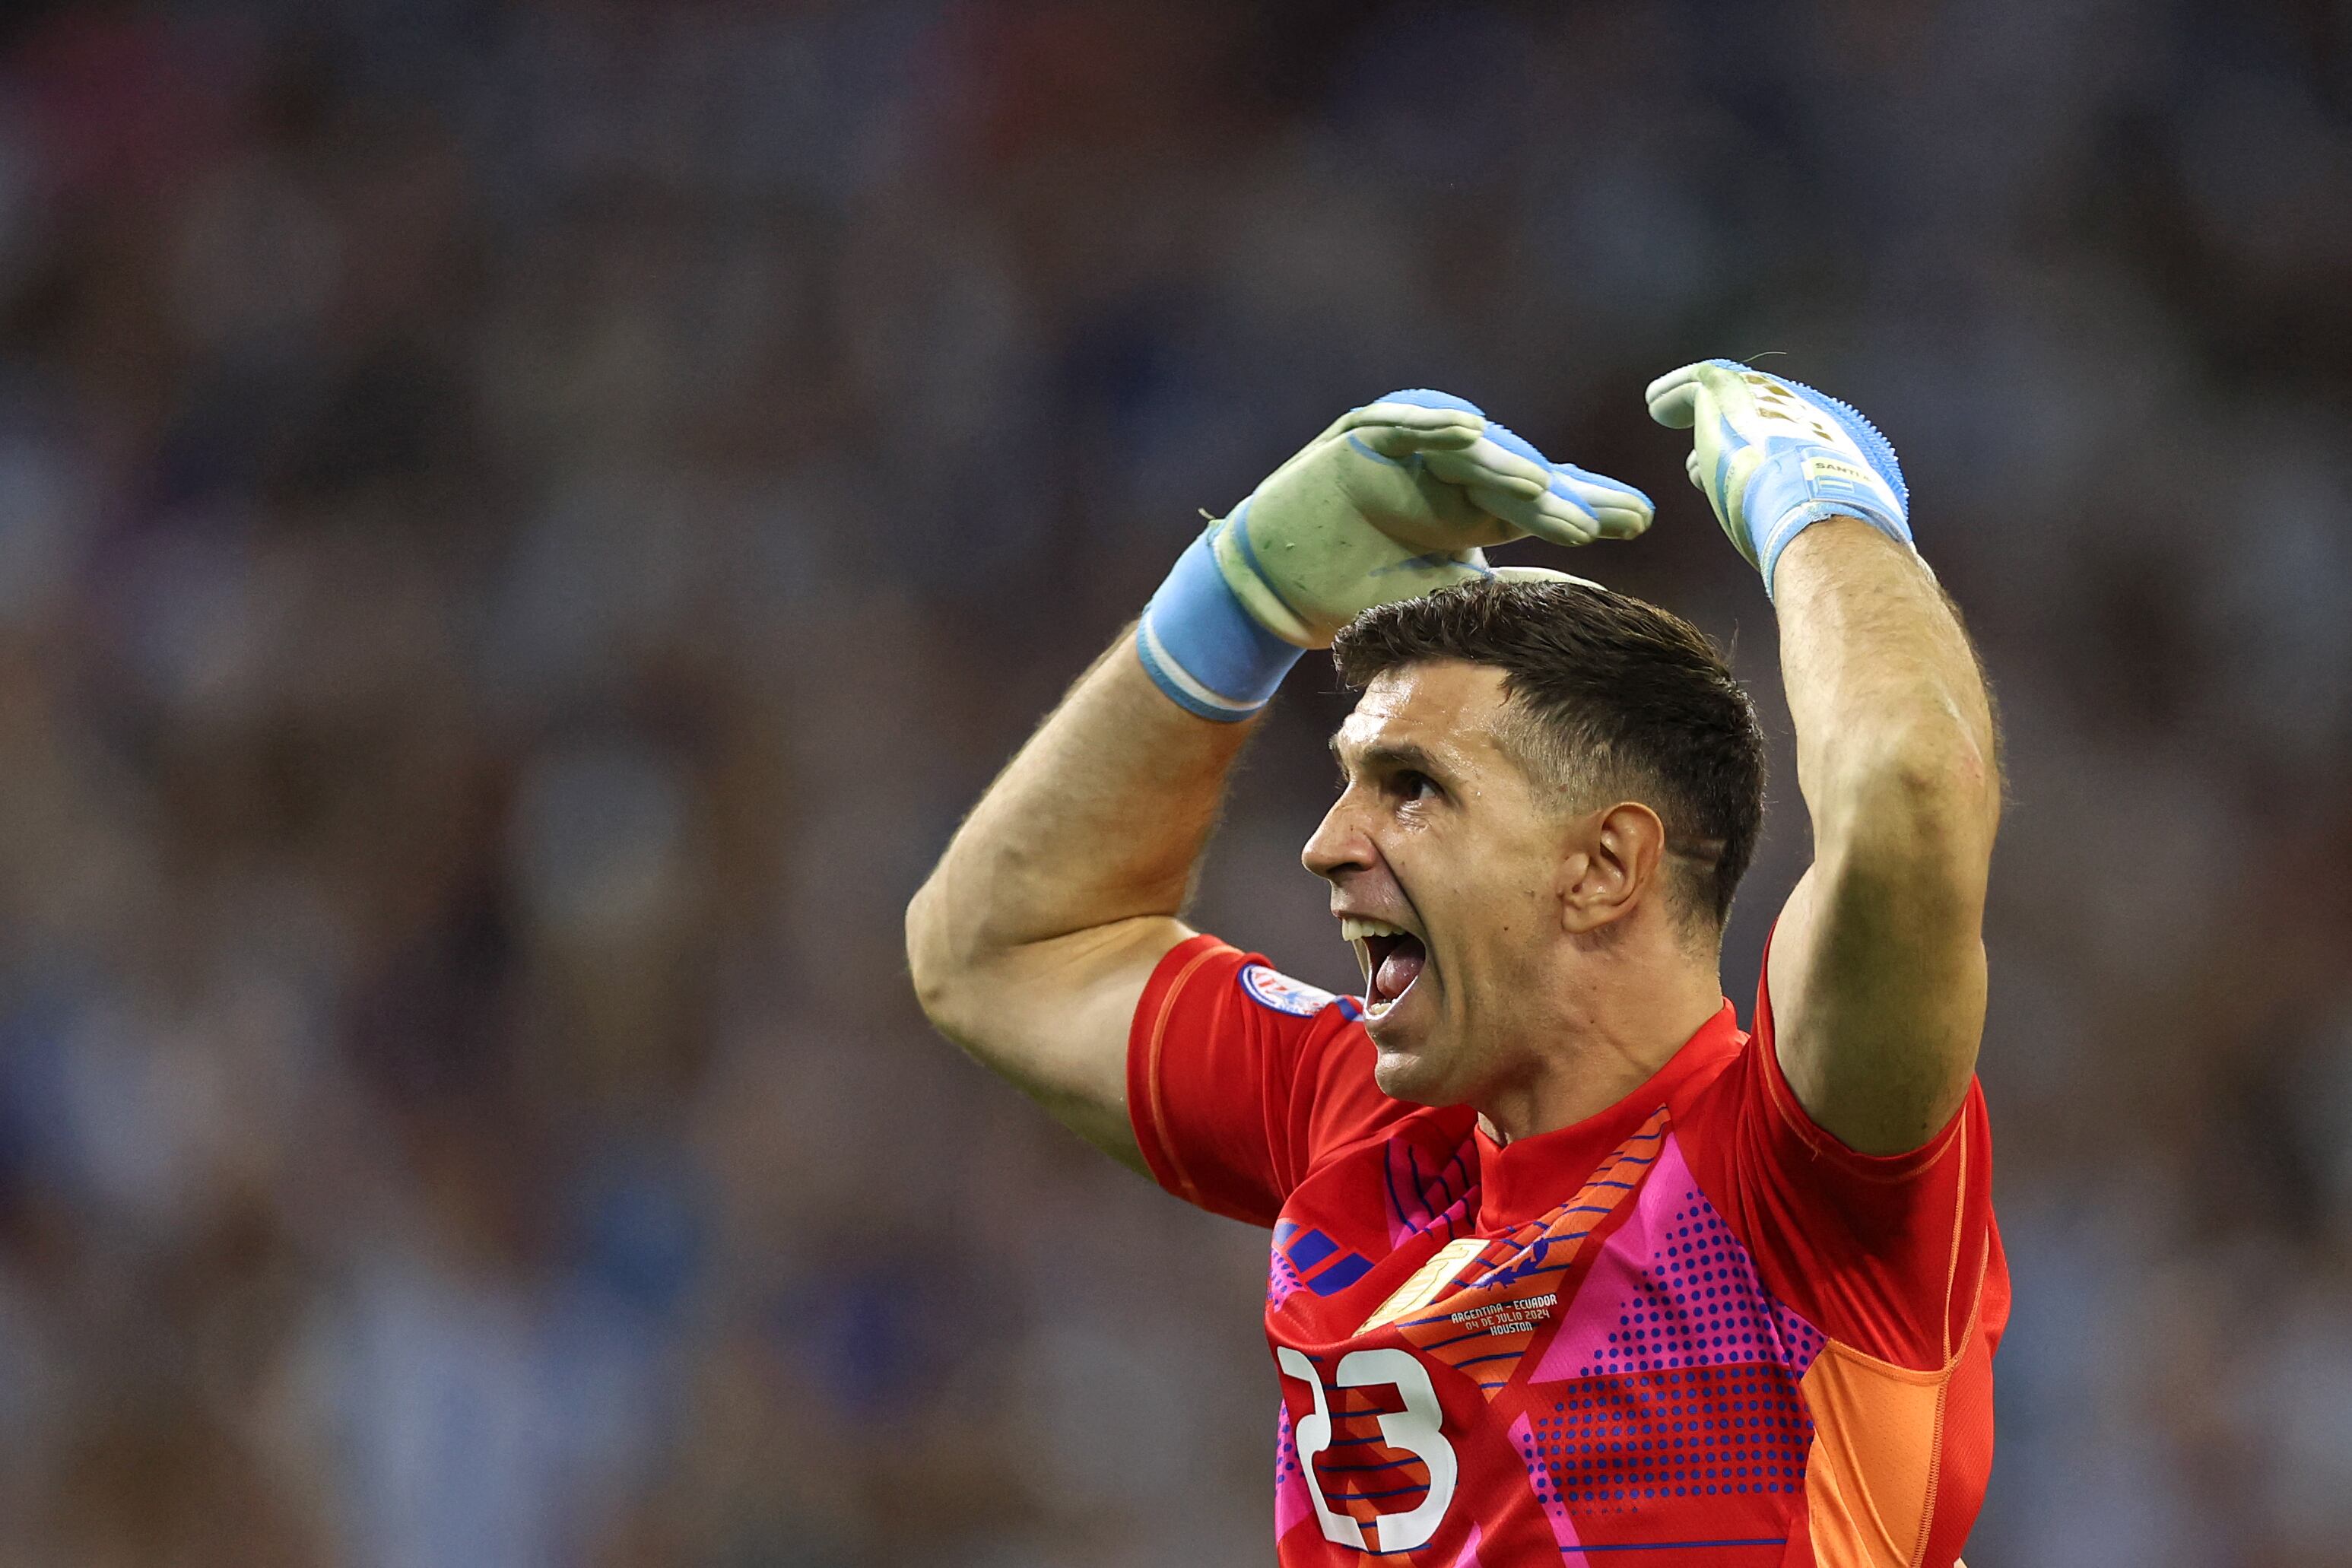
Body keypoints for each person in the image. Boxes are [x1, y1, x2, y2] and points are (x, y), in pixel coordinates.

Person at [906, 364, 2005, 1566]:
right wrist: (1234, 597)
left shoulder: (1791, 1180)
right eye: (1349, 780)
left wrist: (1826, 509)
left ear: (1603, 866)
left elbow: (1908, 799)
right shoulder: (1365, 1125)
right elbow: (995, 950)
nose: (1326, 843)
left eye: (1412, 787)